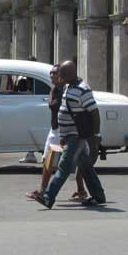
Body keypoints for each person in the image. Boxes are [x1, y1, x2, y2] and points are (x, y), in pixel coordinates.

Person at [33, 60, 106, 209]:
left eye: (61, 74)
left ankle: (48, 197)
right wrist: (62, 136)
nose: (58, 76)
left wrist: (96, 135)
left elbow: (94, 112)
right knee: (86, 167)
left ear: (68, 74)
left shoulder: (82, 89)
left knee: (64, 167)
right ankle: (99, 196)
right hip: (69, 135)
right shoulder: (68, 87)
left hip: (77, 136)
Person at [27, 65, 88, 202]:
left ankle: (47, 193)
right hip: (56, 129)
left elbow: (57, 105)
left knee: (65, 161)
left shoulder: (68, 89)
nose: (51, 75)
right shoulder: (56, 88)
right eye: (50, 73)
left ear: (62, 75)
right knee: (52, 159)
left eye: (54, 73)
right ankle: (79, 190)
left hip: (67, 130)